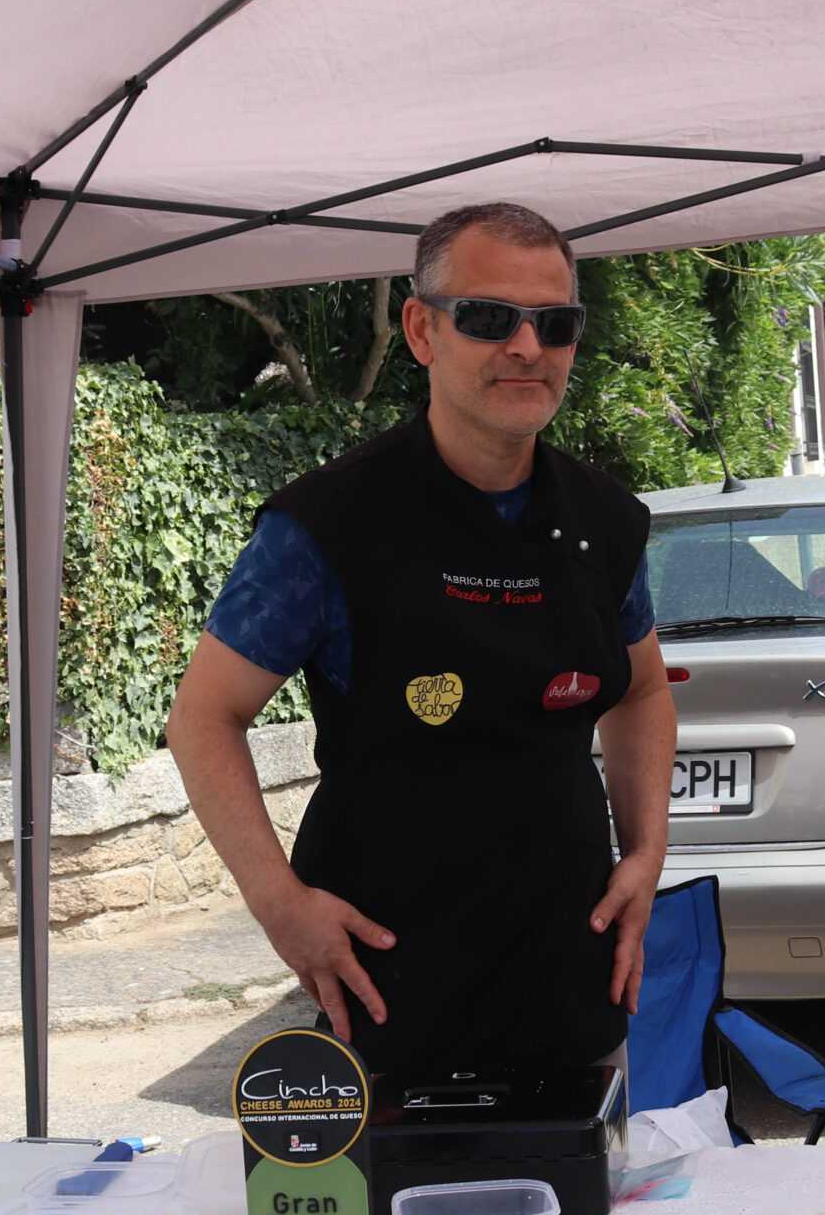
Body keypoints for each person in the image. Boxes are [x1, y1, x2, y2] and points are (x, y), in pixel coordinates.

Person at [166, 202, 676, 1083]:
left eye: (554, 324)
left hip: (572, 989)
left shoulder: (605, 521)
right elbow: (202, 717)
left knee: (584, 1180)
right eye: (489, 317)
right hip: (385, 1005)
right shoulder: (325, 526)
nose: (527, 346)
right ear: (420, 330)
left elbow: (642, 691)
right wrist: (280, 904)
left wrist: (646, 852)